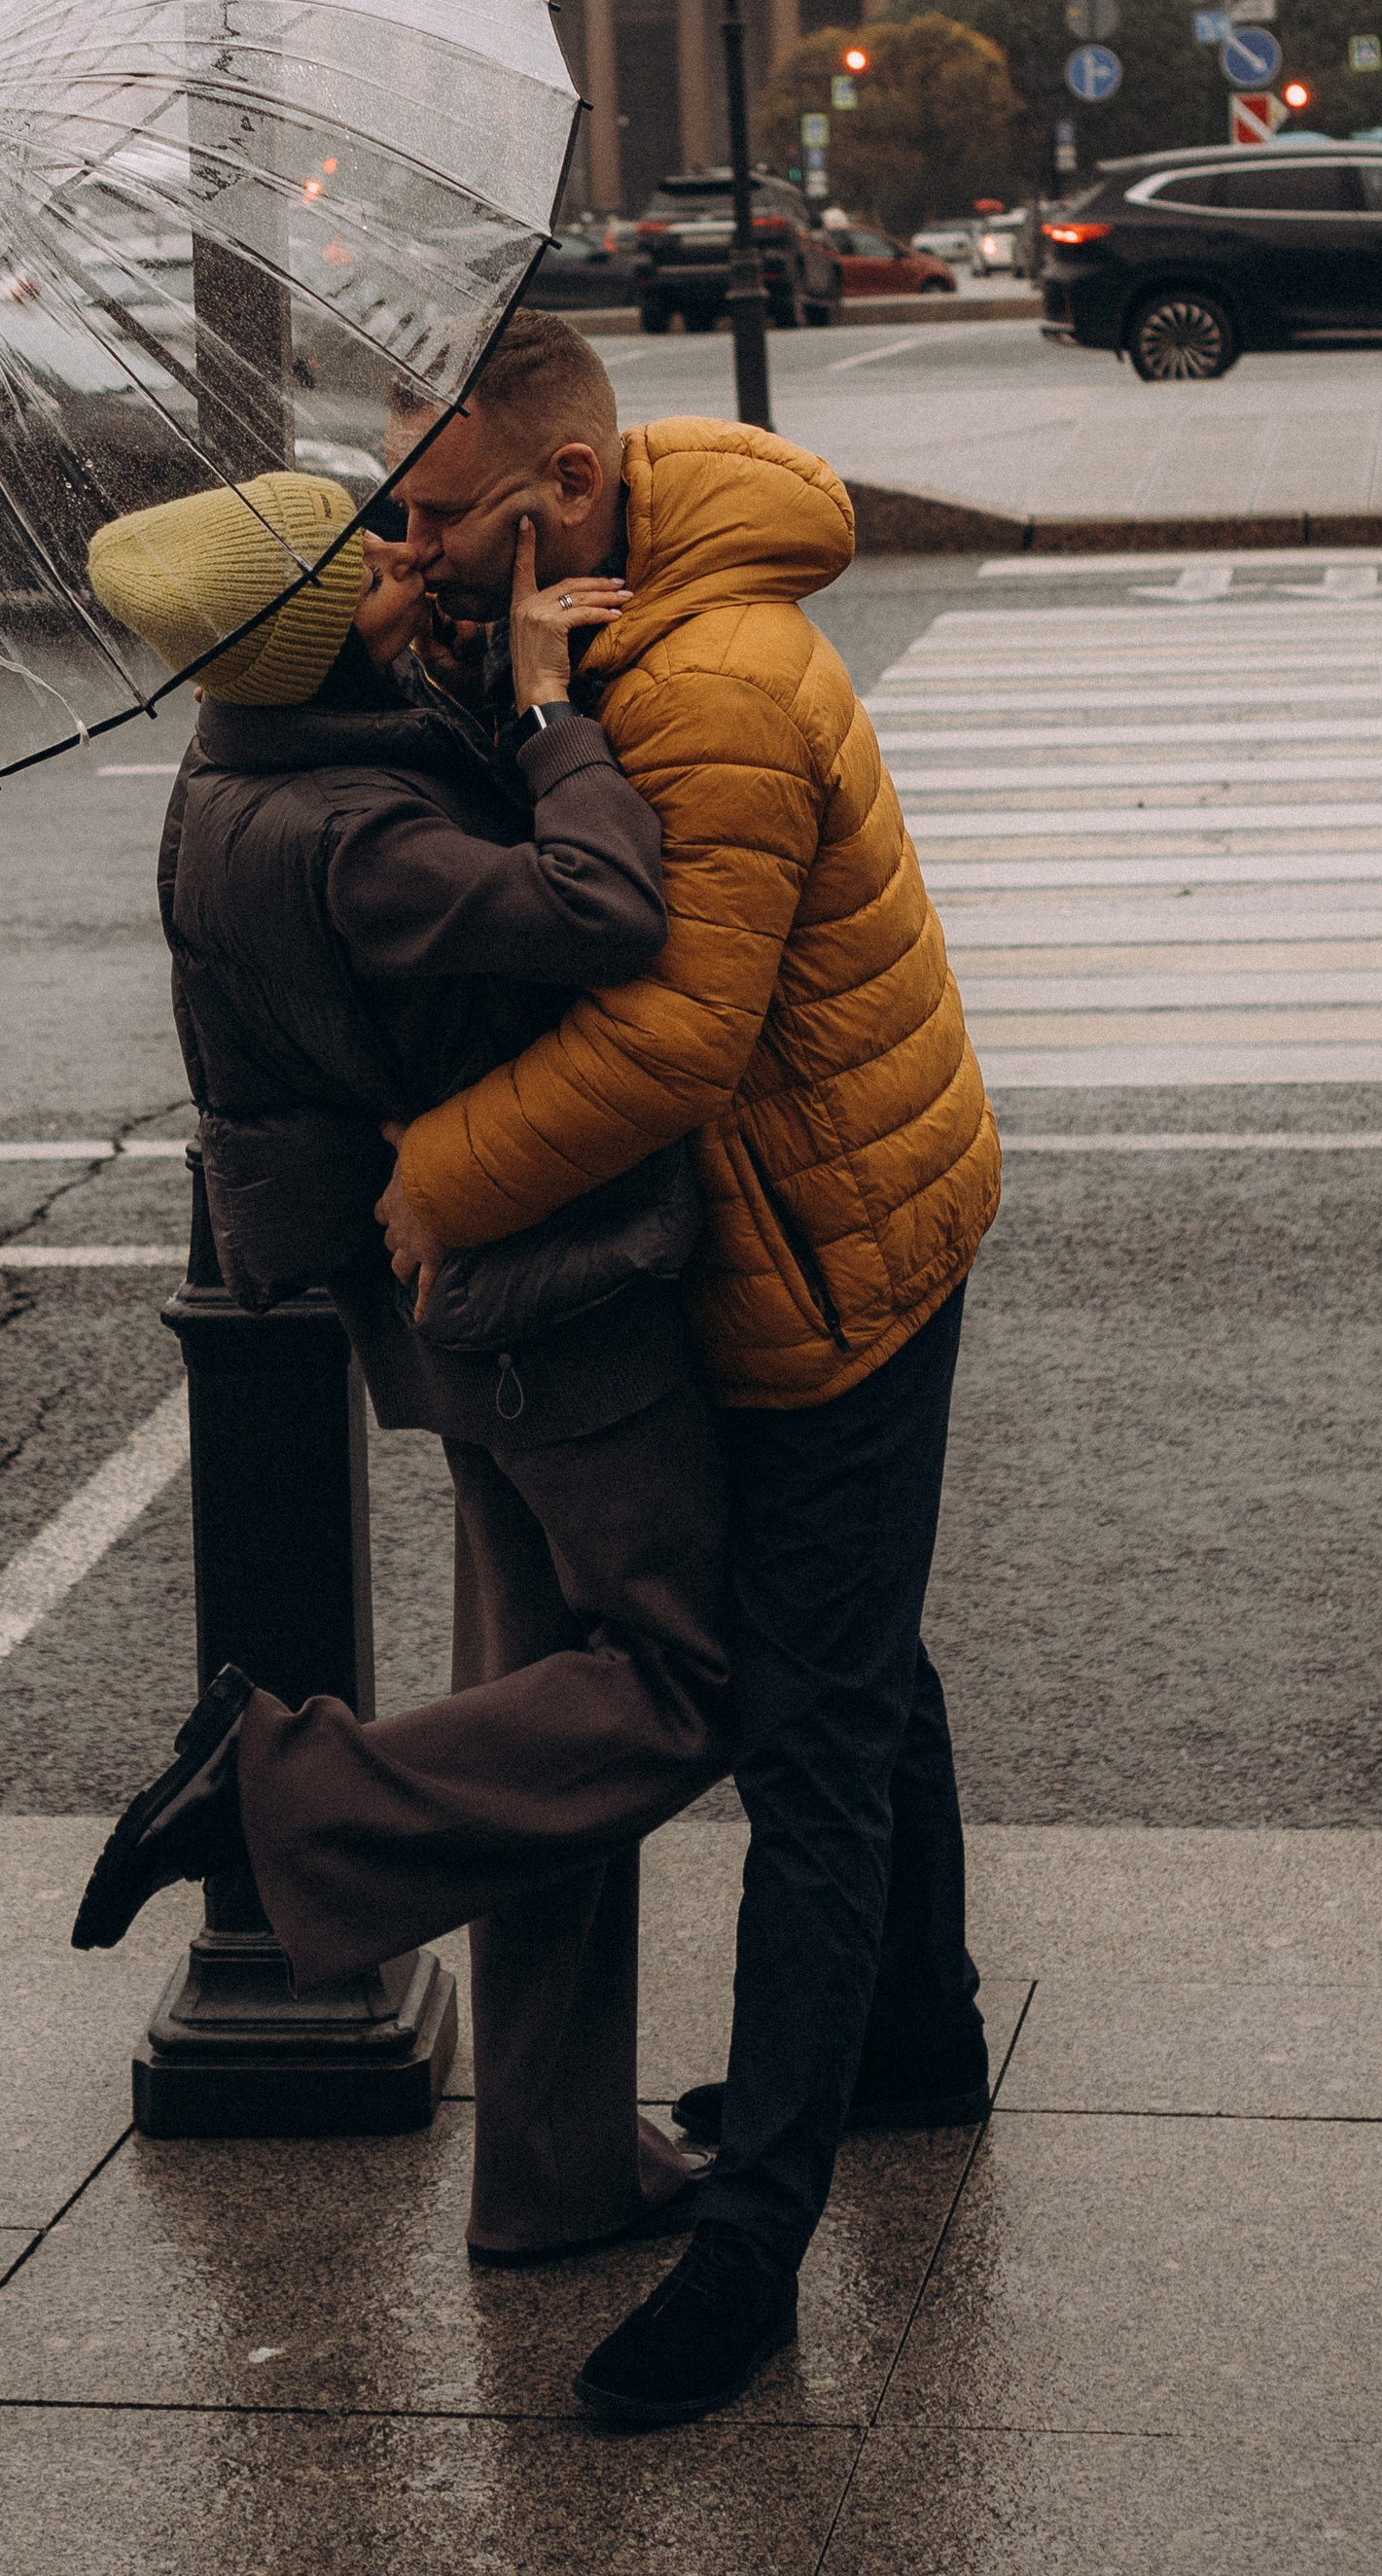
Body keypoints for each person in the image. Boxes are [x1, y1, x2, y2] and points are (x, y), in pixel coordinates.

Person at [372, 312, 1001, 2428]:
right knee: (862, 1652)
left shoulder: (709, 680)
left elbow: (675, 1041)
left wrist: (440, 1177)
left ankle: (749, 2256)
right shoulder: (607, 620)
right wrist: (502, 678)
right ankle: (917, 2036)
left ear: (565, 492)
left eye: (439, 518)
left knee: (809, 1739)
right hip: (816, 1212)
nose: (412, 549)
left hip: (838, 1259)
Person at [71, 464, 735, 2264]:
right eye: (358, 559)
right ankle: (279, 1792)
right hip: (545, 1297)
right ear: (306, 635)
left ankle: (556, 2163)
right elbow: (603, 909)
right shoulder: (351, 839)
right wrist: (549, 716)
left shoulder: (250, 764)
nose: (399, 553)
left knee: (543, 1725)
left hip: (465, 1314)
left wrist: (481, 675)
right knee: (690, 1678)